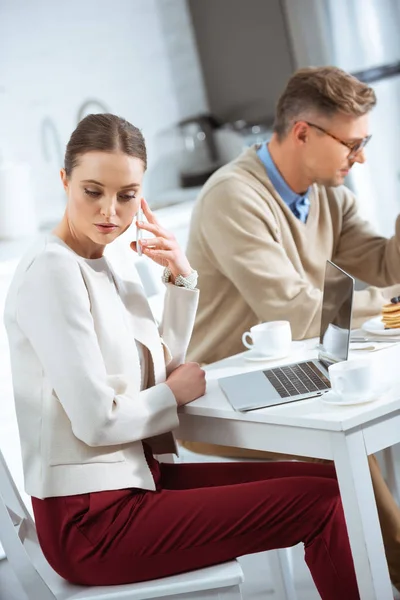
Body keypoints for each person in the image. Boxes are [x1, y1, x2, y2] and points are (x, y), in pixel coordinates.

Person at [3, 113, 360, 599]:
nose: (111, 210)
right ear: (64, 181)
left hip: (135, 486)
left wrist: (181, 277)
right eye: (93, 191)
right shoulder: (53, 272)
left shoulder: (104, 260)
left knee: (326, 478)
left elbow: (160, 366)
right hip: (94, 522)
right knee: (320, 501)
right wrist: (171, 393)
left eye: (127, 195)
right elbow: (98, 422)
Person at [184, 66, 400, 590]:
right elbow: (296, 311)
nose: (361, 158)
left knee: (370, 422)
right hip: (224, 395)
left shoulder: (327, 194)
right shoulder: (234, 197)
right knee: (350, 440)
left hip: (299, 375)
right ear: (304, 132)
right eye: (352, 144)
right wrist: (388, 304)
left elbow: (383, 264)